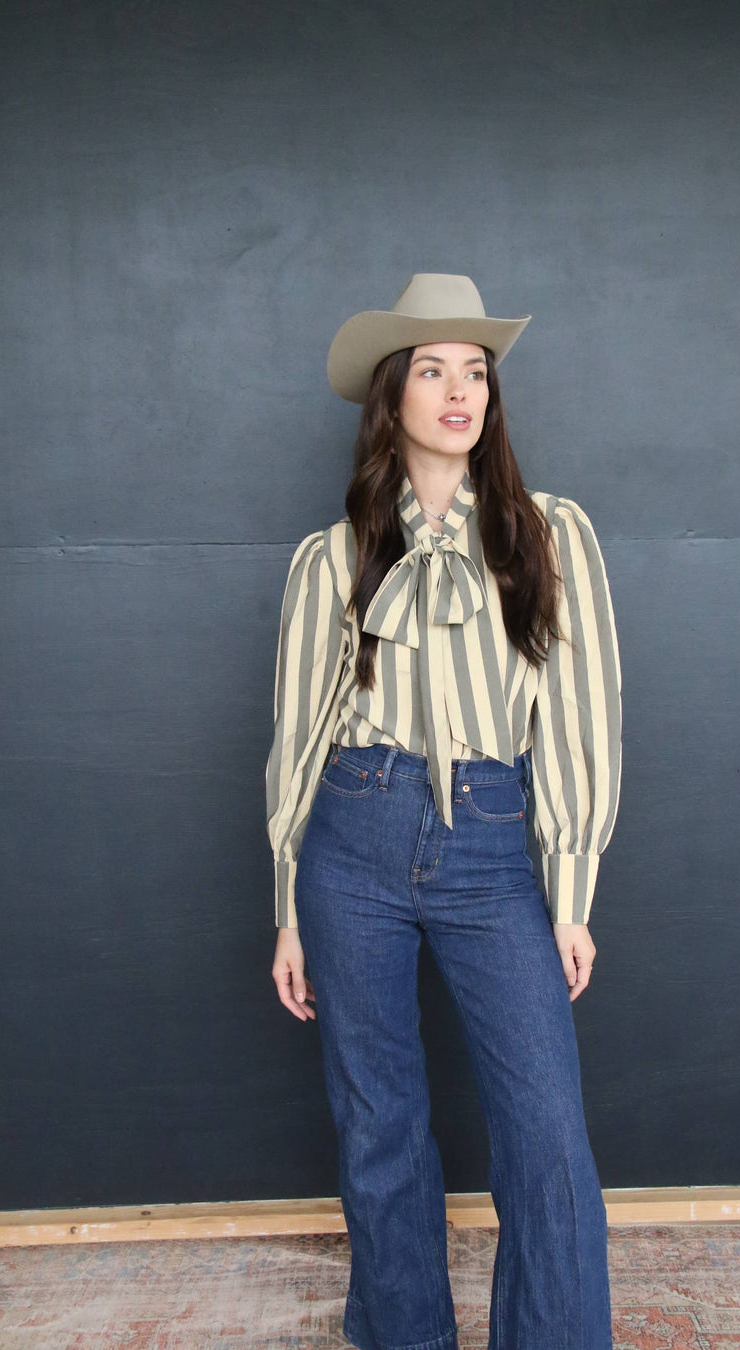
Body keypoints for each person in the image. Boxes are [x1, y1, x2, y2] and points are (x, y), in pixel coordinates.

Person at [265, 273, 622, 1350]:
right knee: (381, 1127)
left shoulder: (547, 534)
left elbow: (577, 720)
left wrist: (570, 894)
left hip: (491, 842)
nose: (459, 391)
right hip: (352, 839)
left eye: (477, 372)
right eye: (433, 370)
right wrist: (288, 902)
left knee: (546, 1132)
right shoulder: (328, 559)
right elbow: (296, 742)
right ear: (394, 396)